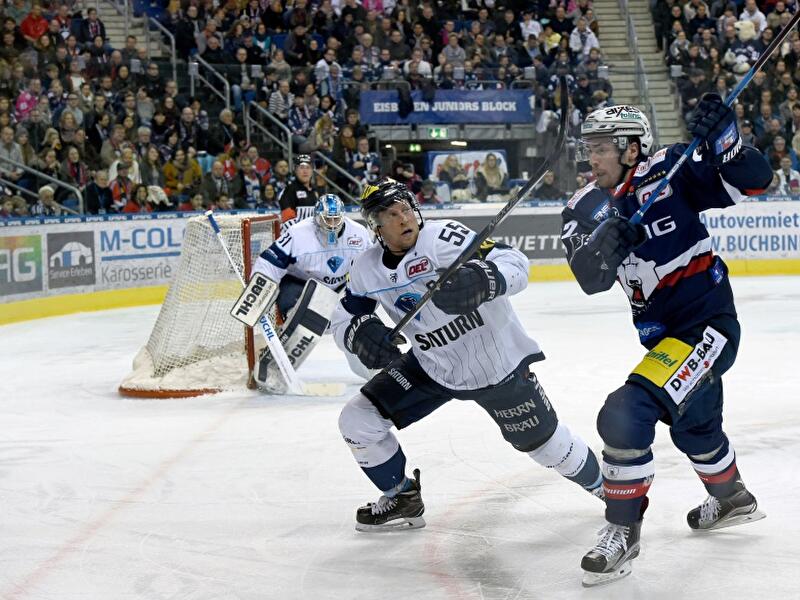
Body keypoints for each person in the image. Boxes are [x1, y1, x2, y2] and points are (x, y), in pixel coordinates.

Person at [560, 100, 770, 586]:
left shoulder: (671, 169)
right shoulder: (582, 206)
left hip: (708, 325)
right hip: (664, 340)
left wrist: (727, 145)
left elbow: (756, 181)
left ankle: (622, 531)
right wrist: (606, 244)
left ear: (632, 148)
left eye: (603, 147)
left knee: (625, 413)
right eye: (590, 147)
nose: (593, 157)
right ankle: (733, 498)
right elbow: (589, 279)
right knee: (695, 427)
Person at [330, 178, 604, 532]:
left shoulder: (443, 238)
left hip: (496, 366)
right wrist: (358, 333)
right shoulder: (366, 268)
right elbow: (344, 316)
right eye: (390, 215)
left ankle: (607, 490)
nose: (403, 218)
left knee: (547, 447)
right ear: (376, 227)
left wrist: (485, 279)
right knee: (358, 420)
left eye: (405, 208)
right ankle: (402, 497)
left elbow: (514, 261)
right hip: (431, 365)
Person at [250, 193, 374, 384]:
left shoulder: (358, 232)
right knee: (302, 320)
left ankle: (372, 368)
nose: (332, 225)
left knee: (360, 323)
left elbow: (370, 265)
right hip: (299, 285)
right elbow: (270, 261)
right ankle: (276, 366)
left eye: (336, 219)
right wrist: (258, 291)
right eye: (327, 219)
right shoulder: (298, 234)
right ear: (317, 218)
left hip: (338, 288)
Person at [278, 154, 318, 225]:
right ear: (295, 170)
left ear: (312, 170)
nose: (305, 171)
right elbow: (288, 220)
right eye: (301, 167)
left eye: (308, 167)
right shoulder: (289, 190)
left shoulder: (315, 190)